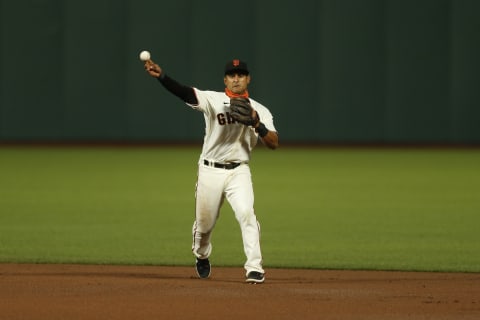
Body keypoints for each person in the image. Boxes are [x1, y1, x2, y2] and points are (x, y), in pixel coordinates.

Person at [143, 58, 279, 283]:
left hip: (239, 171)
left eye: (241, 75)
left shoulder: (260, 110)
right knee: (205, 226)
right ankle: (201, 254)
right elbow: (184, 93)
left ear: (248, 79)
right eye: (232, 75)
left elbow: (274, 143)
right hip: (210, 171)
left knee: (247, 214)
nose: (236, 79)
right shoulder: (213, 100)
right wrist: (163, 77)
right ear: (225, 79)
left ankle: (254, 267)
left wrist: (257, 124)